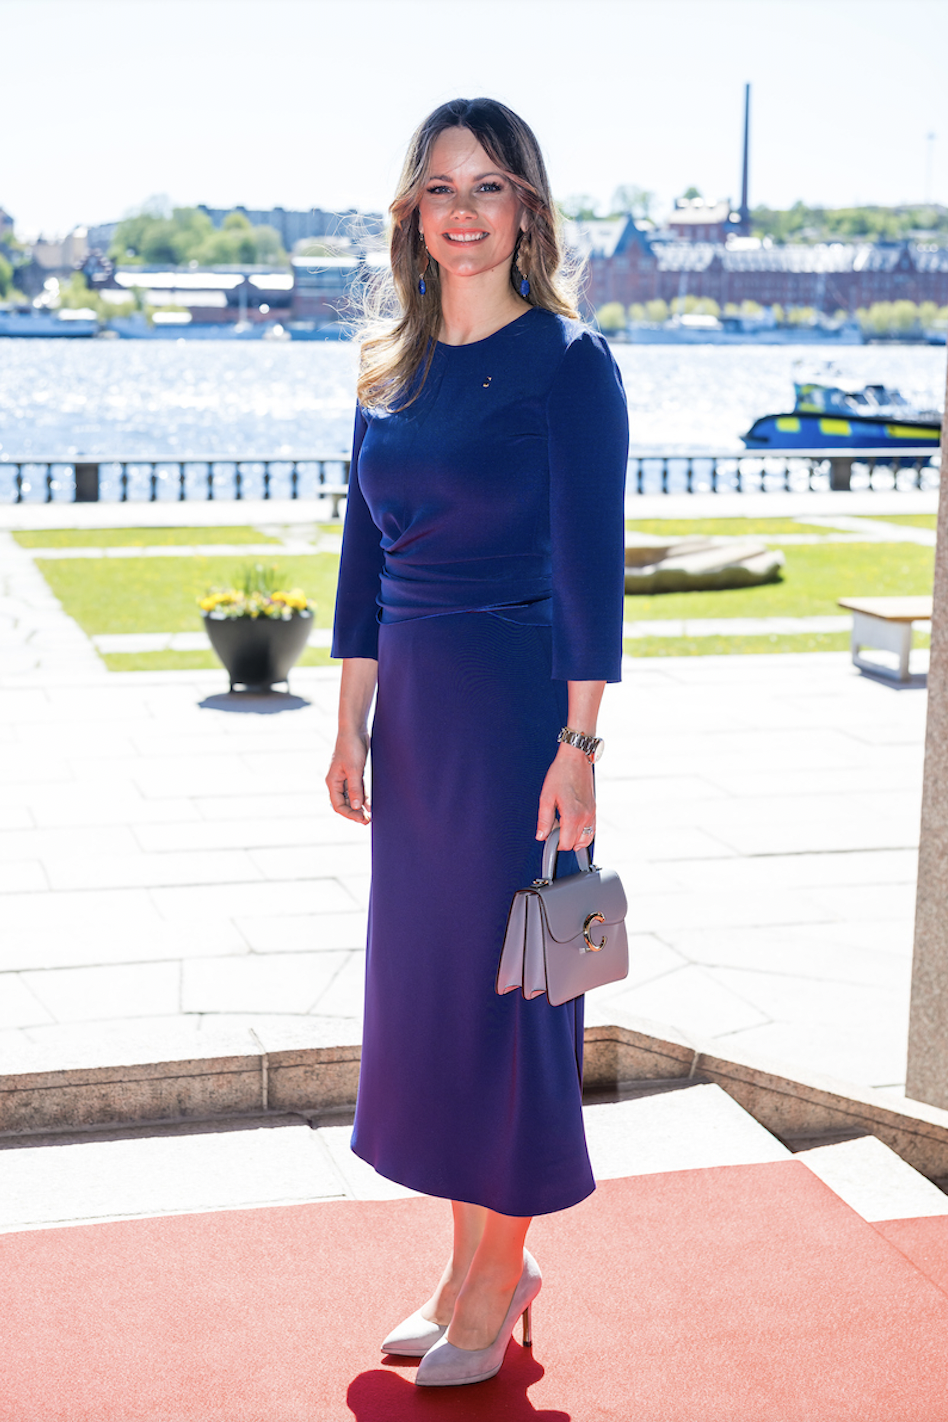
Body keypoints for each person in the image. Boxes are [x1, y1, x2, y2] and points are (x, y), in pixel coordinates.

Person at [326, 96, 628, 1388]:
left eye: (489, 186)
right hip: (415, 732)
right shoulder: (386, 369)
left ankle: (499, 1272)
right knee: (440, 997)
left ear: (526, 211)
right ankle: (469, 1270)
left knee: (513, 995)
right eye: (442, 187)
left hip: (518, 725)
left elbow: (592, 574)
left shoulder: (570, 364)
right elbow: (361, 565)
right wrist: (350, 724)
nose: (464, 211)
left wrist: (580, 747)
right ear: (413, 211)